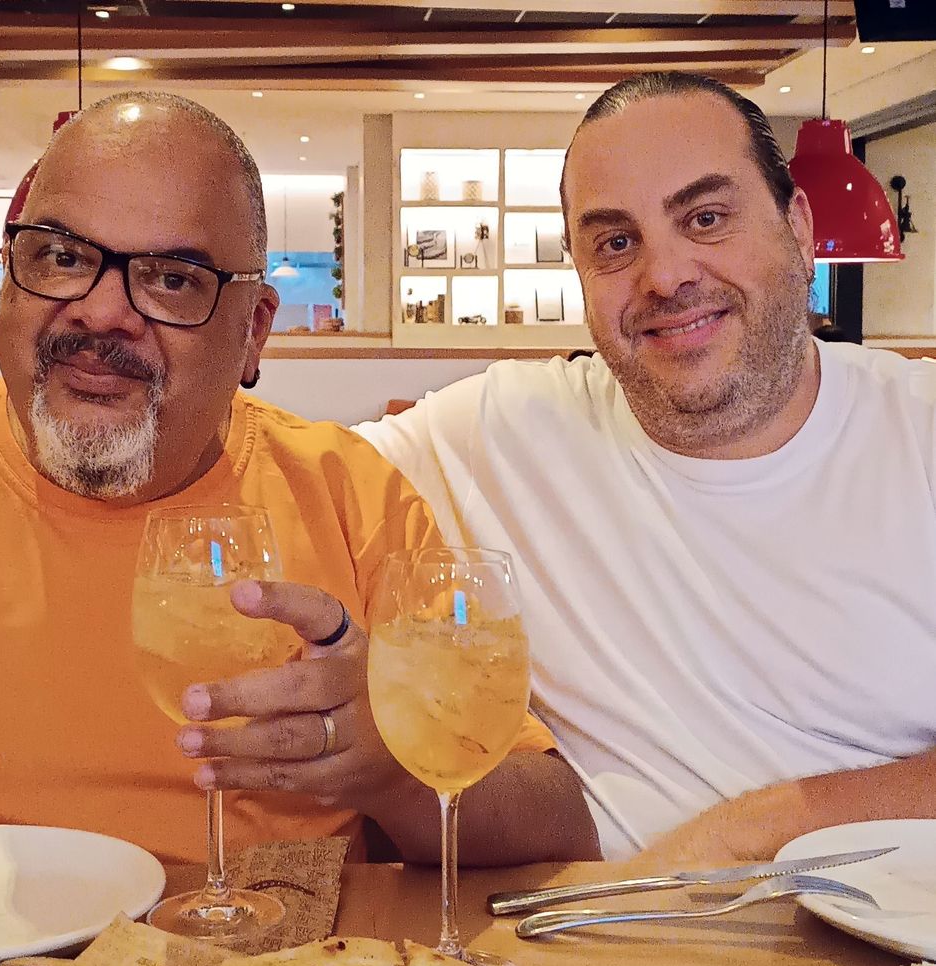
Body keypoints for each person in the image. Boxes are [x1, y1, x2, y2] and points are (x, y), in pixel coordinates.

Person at [0, 91, 597, 869]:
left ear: (253, 332)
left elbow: (555, 825)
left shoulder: (348, 498)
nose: (102, 312)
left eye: (173, 279)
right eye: (63, 258)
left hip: (273, 945)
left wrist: (396, 767)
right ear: (11, 282)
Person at [357, 71, 936, 868]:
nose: (665, 277)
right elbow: (270, 470)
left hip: (889, 932)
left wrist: (754, 828)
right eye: (616, 244)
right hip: (590, 934)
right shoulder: (499, 429)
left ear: (799, 230)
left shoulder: (919, 432)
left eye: (706, 218)